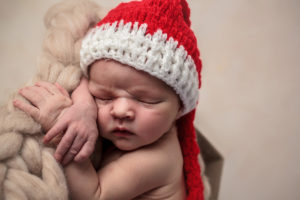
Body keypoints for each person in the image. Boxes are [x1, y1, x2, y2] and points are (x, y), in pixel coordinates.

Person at [14, 0, 204, 199]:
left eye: (146, 100)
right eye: (103, 97)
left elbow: (94, 195)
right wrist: (84, 105)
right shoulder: (144, 132)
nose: (121, 110)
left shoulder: (159, 159)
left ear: (179, 109)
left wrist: (61, 127)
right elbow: (84, 80)